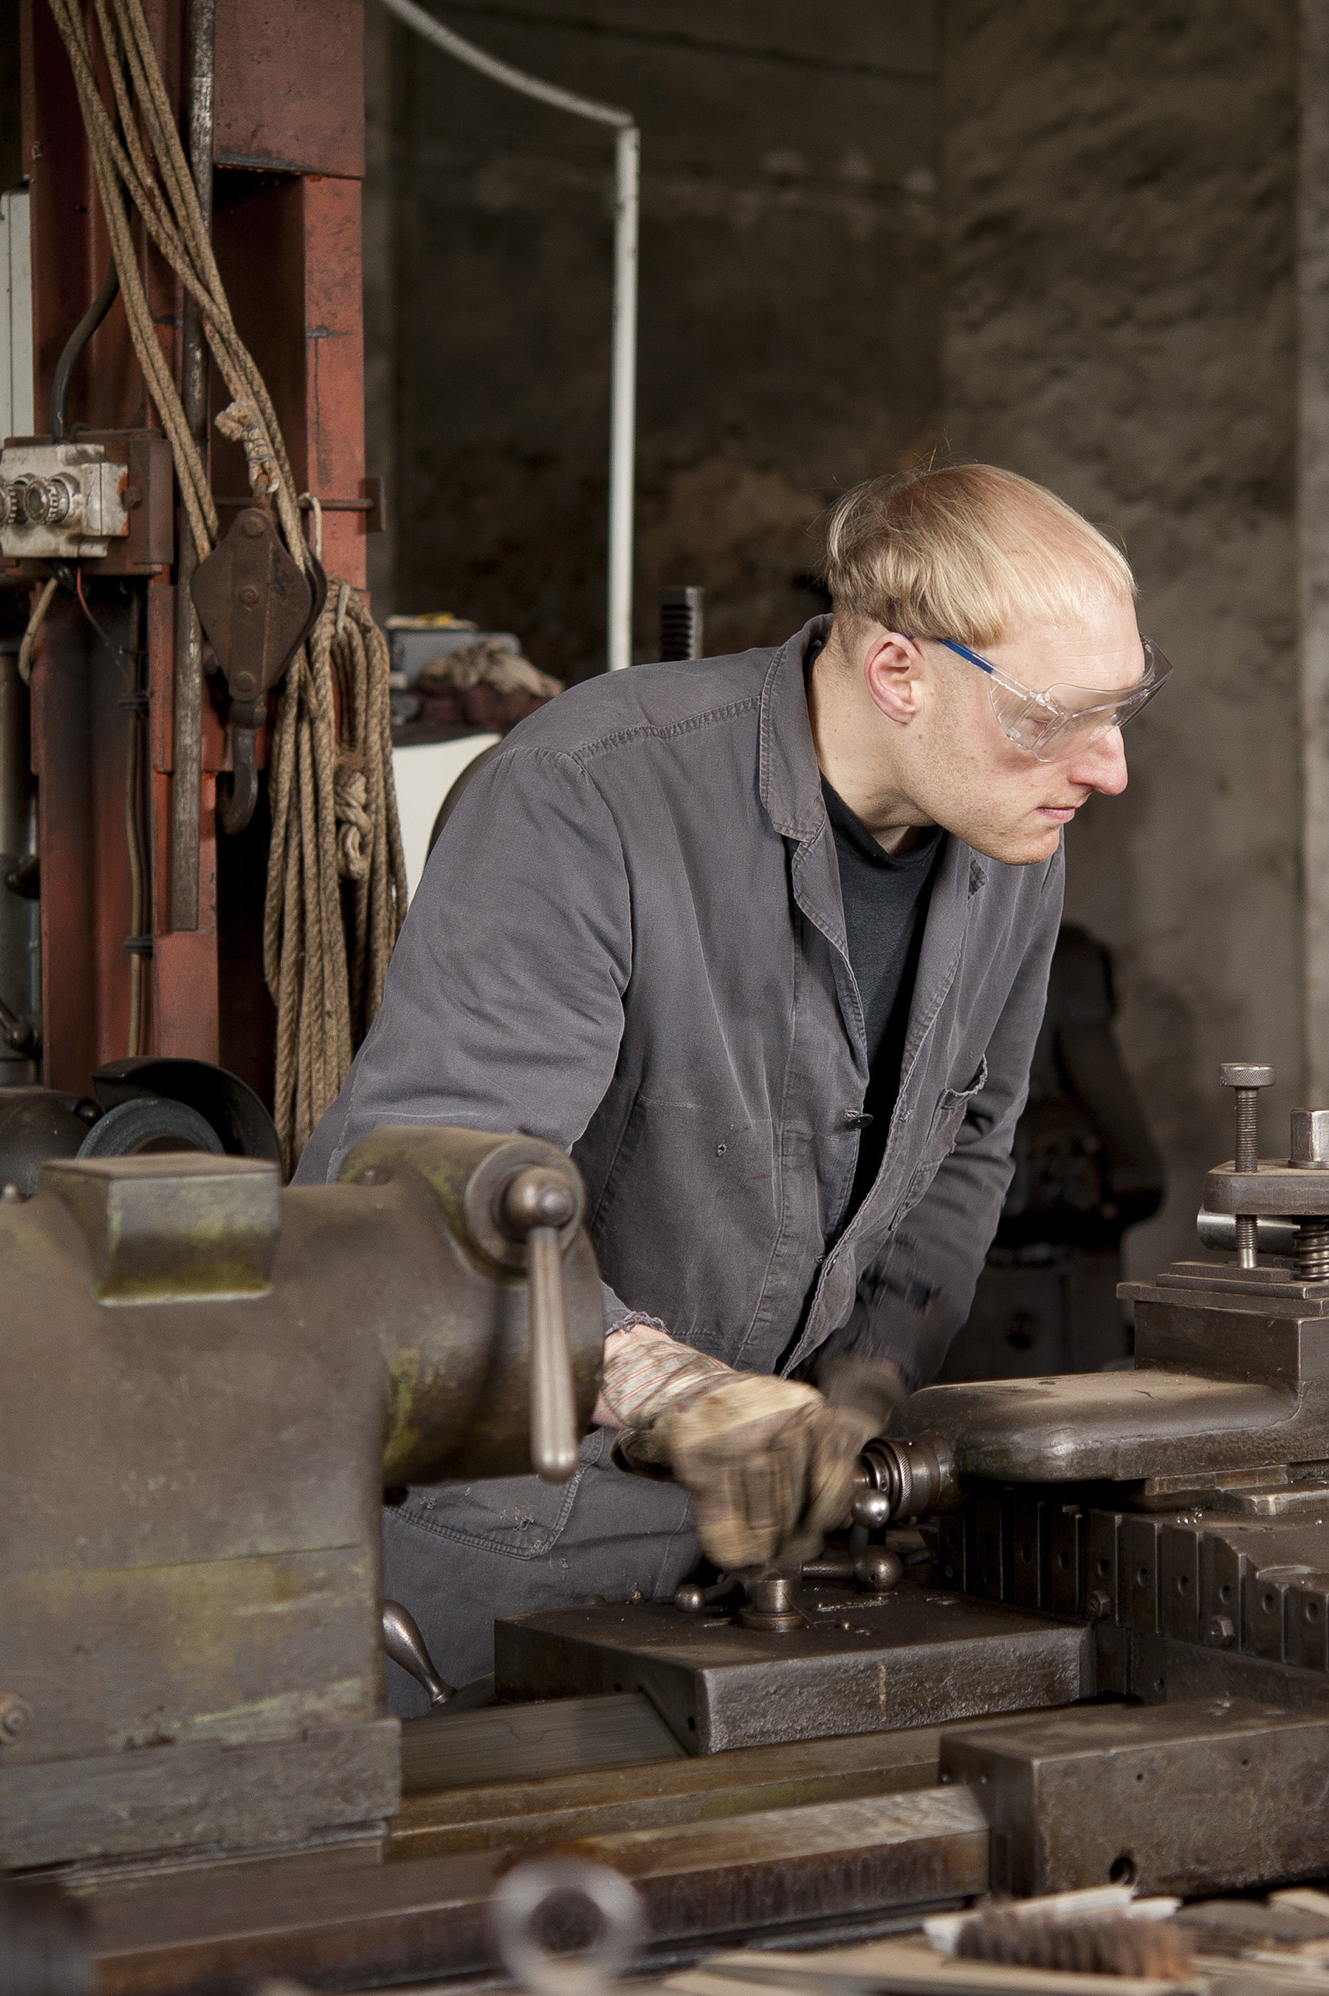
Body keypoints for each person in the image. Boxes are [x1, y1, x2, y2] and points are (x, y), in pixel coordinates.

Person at [292, 463, 1168, 1705]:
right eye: (1054, 714)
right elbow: (429, 1189)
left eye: (1125, 707)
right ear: (900, 672)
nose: (1109, 766)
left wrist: (854, 1403)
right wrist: (671, 1389)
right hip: (490, 1561)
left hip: (750, 1578)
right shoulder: (588, 796)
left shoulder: (1007, 840)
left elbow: (970, 1141)